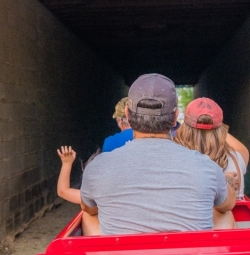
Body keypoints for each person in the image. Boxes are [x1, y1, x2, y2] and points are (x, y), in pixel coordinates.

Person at [79, 74, 235, 235]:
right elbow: (227, 205)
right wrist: (227, 182)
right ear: (175, 117)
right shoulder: (207, 166)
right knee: (224, 214)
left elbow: (88, 208)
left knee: (88, 215)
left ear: (127, 115)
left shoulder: (97, 167)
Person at [173, 97, 250, 229]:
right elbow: (243, 150)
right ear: (222, 130)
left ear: (185, 127)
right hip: (231, 241)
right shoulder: (237, 159)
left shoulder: (175, 161)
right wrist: (215, 128)